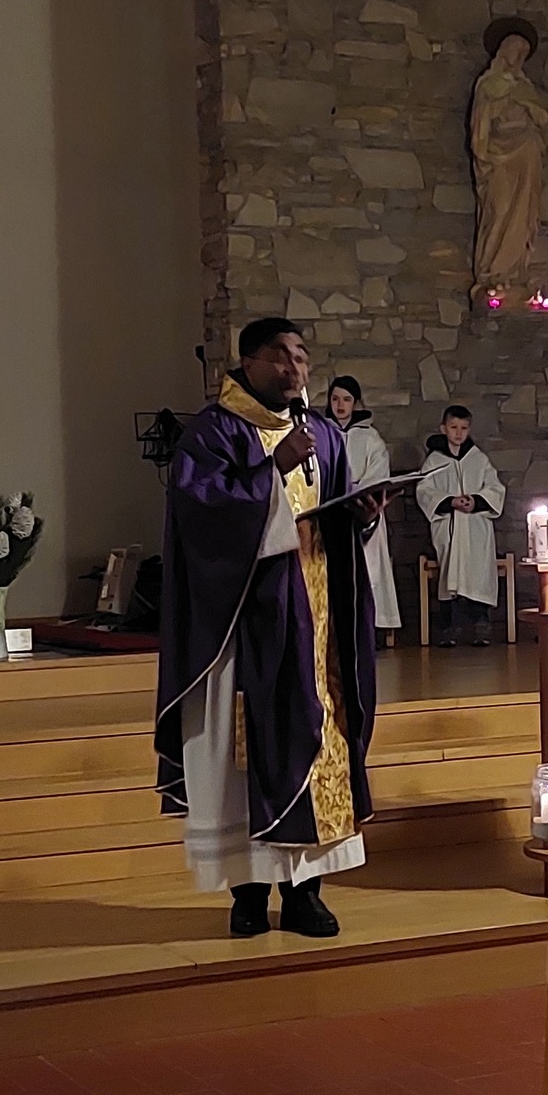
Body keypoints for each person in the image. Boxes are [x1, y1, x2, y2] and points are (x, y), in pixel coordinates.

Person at [155, 319, 386, 940]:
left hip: (317, 624)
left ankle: (306, 893)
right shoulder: (213, 432)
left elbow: (332, 514)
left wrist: (362, 516)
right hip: (246, 627)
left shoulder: (324, 435)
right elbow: (200, 519)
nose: (295, 368)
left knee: (318, 742)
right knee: (244, 758)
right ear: (249, 362)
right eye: (281, 355)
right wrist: (268, 473)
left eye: (302, 356)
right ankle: (249, 894)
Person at [469, 17, 548, 309]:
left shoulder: (526, 88)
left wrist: (531, 112)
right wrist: (485, 152)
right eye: (515, 50)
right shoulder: (489, 84)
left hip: (527, 157)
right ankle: (492, 274)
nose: (518, 58)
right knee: (501, 209)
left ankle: (515, 273)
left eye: (523, 54)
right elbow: (481, 123)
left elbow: (543, 122)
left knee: (523, 213)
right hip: (500, 159)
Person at [417, 405, 506, 647]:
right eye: (453, 427)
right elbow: (424, 490)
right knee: (450, 571)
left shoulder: (478, 459)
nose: (458, 433)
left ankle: (481, 623)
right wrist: (450, 502)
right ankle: (449, 626)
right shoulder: (435, 461)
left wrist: (475, 501)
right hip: (449, 527)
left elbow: (495, 488)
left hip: (475, 527)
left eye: (463, 428)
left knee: (478, 569)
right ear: (443, 428)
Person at [326, 375, 401, 639]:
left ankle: (369, 629)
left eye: (346, 399)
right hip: (331, 511)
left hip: (364, 511)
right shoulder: (322, 433)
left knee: (368, 569)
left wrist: (357, 491)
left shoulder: (371, 438)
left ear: (356, 403)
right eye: (335, 399)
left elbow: (378, 475)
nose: (340, 405)